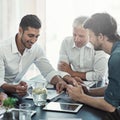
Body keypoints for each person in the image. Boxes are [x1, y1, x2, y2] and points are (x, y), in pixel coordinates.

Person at [0, 14, 78, 97]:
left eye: (37, 36)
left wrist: (60, 81)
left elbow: (48, 72)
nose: (33, 40)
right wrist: (15, 88)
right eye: (30, 36)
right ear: (20, 30)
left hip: (15, 92)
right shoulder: (2, 49)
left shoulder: (36, 48)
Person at [66, 13, 120, 115]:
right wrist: (89, 91)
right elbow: (115, 88)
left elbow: (110, 106)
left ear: (100, 37)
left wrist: (80, 97)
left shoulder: (116, 58)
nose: (89, 40)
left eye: (90, 36)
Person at [58, 16, 108, 82]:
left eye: (81, 36)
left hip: (96, 84)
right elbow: (62, 68)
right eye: (74, 34)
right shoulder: (66, 42)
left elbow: (99, 76)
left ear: (90, 35)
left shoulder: (98, 45)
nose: (76, 39)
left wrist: (72, 73)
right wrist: (70, 78)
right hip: (72, 80)